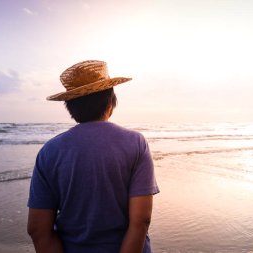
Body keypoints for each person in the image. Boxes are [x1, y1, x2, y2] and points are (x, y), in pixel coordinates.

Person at [27, 60, 159, 253]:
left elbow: (38, 230)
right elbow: (141, 220)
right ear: (110, 102)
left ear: (70, 107)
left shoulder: (50, 151)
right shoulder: (135, 143)